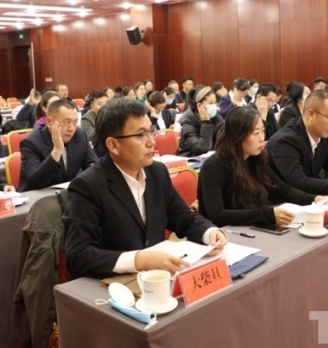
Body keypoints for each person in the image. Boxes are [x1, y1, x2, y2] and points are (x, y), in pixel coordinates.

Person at [63, 99, 226, 279]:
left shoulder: (157, 172)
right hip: (114, 285)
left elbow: (183, 217)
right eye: (141, 135)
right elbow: (78, 256)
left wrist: (209, 233)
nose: (151, 142)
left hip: (158, 279)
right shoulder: (87, 186)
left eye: (151, 131)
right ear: (113, 145)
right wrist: (138, 260)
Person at [198, 107, 328, 227]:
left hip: (252, 226)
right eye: (256, 133)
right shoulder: (213, 167)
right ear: (237, 136)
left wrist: (312, 198)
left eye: (263, 131)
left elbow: (281, 189)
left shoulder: (255, 158)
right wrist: (268, 215)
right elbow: (217, 215)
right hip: (224, 234)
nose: (262, 138)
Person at [19, 99, 98, 191]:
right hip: (36, 196)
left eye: (75, 122)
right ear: (49, 121)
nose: (72, 128)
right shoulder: (31, 142)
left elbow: (92, 166)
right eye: (67, 122)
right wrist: (57, 151)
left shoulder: (79, 135)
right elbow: (36, 181)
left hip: (67, 194)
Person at [177, 86, 225, 157]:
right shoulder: (188, 121)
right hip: (190, 158)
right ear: (199, 105)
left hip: (211, 157)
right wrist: (206, 122)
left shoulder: (216, 118)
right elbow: (201, 148)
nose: (214, 106)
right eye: (211, 103)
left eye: (215, 103)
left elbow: (225, 141)